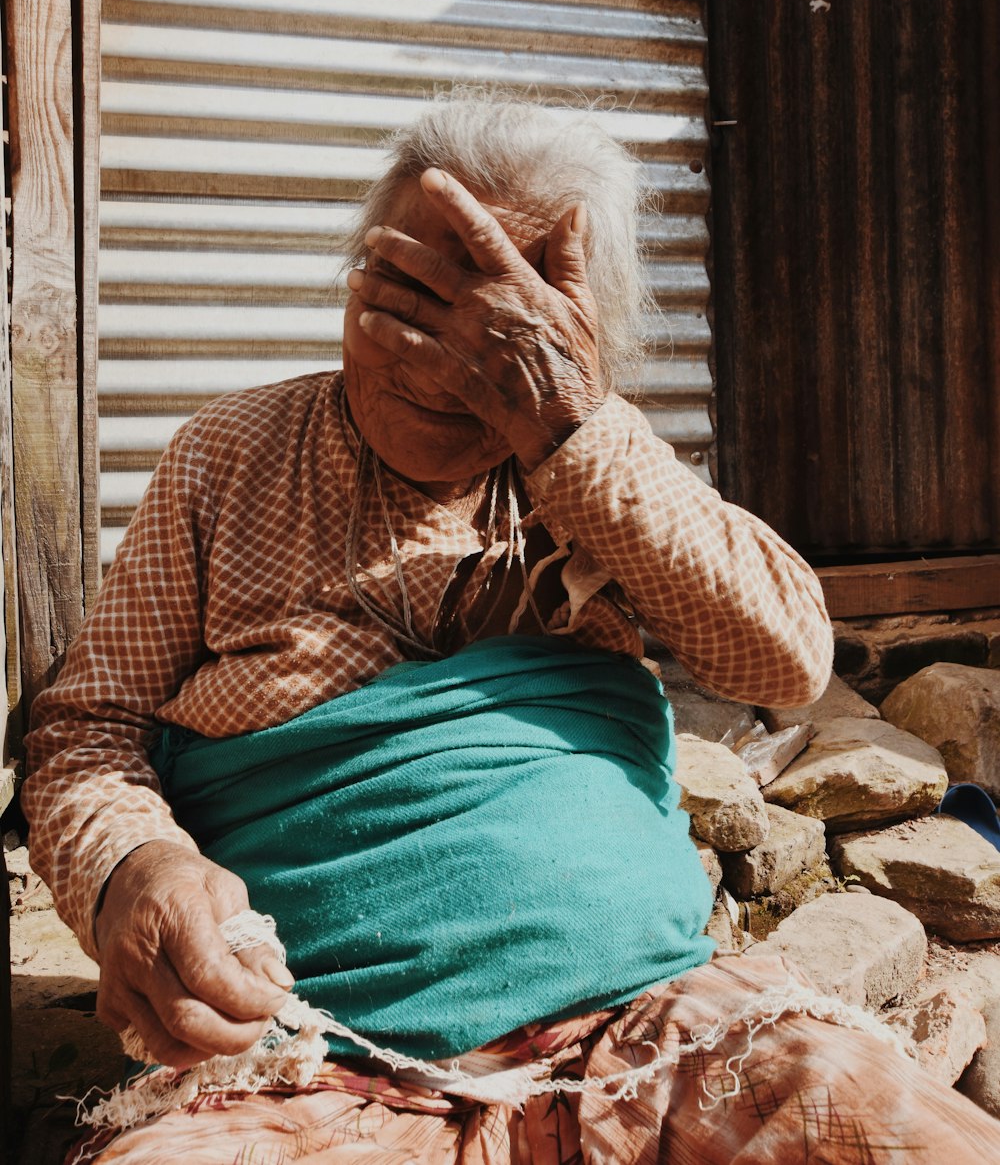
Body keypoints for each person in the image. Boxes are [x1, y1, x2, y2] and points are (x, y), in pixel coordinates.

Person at [23, 94, 1000, 1163]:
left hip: (660, 1033)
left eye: (493, 317)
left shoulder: (595, 467)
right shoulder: (226, 457)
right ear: (355, 281)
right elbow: (89, 730)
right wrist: (132, 866)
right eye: (408, 296)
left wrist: (567, 426)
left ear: (575, 332)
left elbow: (782, 658)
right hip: (316, 1062)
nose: (438, 360)